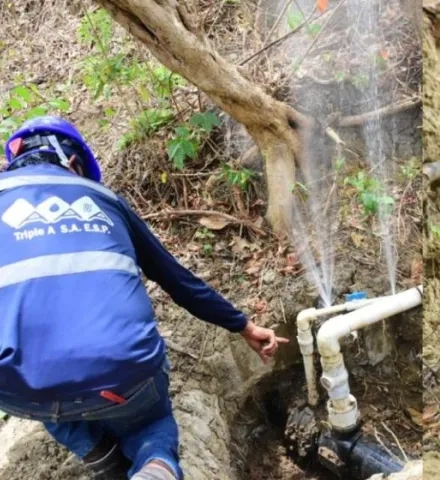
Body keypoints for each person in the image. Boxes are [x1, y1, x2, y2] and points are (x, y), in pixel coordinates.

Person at [0, 116, 288, 480]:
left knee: (40, 396)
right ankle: (153, 461)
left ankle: (100, 457)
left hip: (19, 386)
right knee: (153, 425)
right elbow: (177, 280)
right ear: (74, 165)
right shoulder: (104, 199)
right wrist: (244, 325)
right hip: (124, 371)